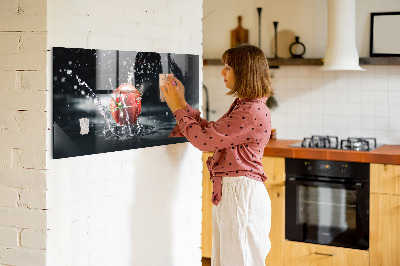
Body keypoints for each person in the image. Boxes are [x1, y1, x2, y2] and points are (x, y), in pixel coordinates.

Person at [161, 44, 273, 266]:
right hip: (236, 193)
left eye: (228, 67)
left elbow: (204, 141)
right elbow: (212, 133)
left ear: (244, 72)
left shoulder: (250, 111)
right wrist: (182, 103)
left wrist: (176, 108)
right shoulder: (246, 106)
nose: (222, 72)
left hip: (241, 195)